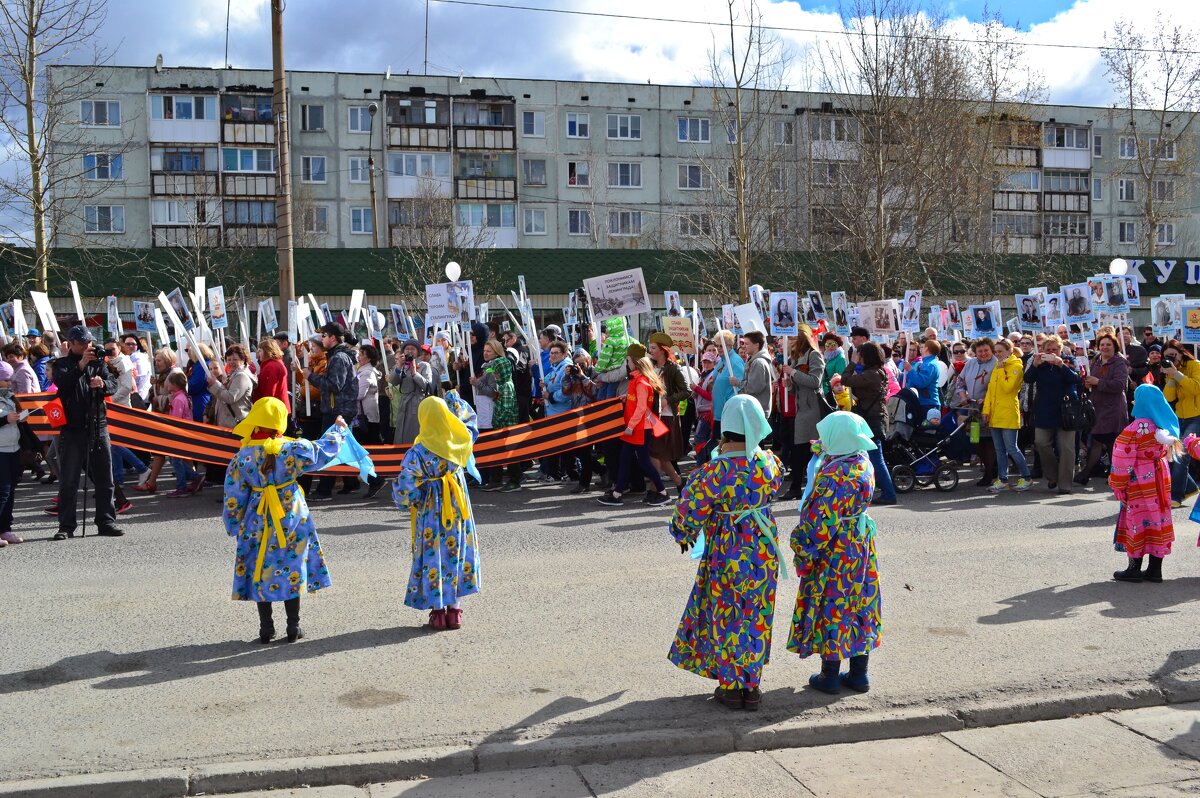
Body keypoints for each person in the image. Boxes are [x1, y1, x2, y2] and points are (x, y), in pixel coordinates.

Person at [667, 394, 785, 711]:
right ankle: (752, 685)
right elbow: (775, 475)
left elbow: (686, 517)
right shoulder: (770, 464)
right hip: (763, 548)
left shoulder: (713, 473)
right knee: (757, 614)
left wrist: (682, 533)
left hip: (727, 549)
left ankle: (732, 687)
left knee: (729, 613)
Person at [223, 398, 348, 643]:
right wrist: (339, 430)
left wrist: (234, 524)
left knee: (260, 568)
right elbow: (323, 450)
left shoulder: (243, 457)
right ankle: (293, 626)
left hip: (257, 518)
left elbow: (233, 496)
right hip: (291, 515)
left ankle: (266, 628)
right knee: (291, 565)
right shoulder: (293, 449)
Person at [788, 411, 882, 694]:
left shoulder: (833, 477)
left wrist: (801, 550)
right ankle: (859, 674)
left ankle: (829, 675)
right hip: (860, 544)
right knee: (860, 602)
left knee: (834, 602)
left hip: (835, 549)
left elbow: (819, 524)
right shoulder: (862, 462)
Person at [392, 391, 481, 630]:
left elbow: (404, 488)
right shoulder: (459, 440)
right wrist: (455, 400)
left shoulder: (418, 452)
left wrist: (411, 499)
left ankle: (438, 612)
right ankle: (455, 611)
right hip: (457, 507)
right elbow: (470, 422)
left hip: (431, 511)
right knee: (456, 552)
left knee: (434, 555)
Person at [50, 326, 122, 540]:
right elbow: (62, 384)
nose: (87, 347)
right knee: (69, 480)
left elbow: (113, 384)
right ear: (71, 344)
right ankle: (66, 526)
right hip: (72, 430)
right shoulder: (61, 365)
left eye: (89, 342)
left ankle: (106, 521)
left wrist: (103, 384)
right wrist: (81, 365)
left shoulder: (98, 362)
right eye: (82, 343)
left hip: (98, 426)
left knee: (104, 478)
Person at [1110, 385, 1180, 584]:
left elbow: (1121, 459)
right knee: (1159, 519)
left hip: (1139, 479)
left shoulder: (1134, 429)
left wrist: (1118, 484)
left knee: (1137, 520)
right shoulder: (1163, 424)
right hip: (1159, 475)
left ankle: (1134, 569)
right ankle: (1155, 570)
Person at [598, 344, 670, 507]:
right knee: (625, 459)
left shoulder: (641, 382)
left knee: (644, 462)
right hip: (636, 427)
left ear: (635, 362)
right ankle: (617, 494)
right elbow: (637, 400)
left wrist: (630, 426)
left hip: (639, 428)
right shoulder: (637, 380)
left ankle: (663, 493)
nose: (626, 363)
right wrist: (626, 397)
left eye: (628, 360)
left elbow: (642, 407)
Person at [304, 323, 358, 502]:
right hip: (340, 410)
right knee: (346, 449)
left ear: (333, 337)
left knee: (329, 450)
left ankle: (324, 490)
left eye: (324, 335)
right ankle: (359, 482)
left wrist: (310, 377)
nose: (322, 339)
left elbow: (334, 385)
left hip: (338, 411)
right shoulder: (336, 356)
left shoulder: (338, 358)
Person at [840, 341, 897, 505]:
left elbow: (845, 379)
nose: (859, 358)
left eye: (861, 355)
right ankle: (877, 490)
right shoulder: (877, 372)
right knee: (869, 455)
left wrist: (852, 362)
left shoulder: (871, 375)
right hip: (874, 416)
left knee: (875, 457)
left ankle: (889, 493)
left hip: (872, 419)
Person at [1024, 335, 1080, 494]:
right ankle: (1052, 475)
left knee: (1066, 448)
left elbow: (1075, 379)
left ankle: (1065, 484)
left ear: (1060, 350)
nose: (1051, 352)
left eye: (1054, 349)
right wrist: (1035, 364)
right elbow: (1028, 379)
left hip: (1066, 411)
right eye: (1048, 349)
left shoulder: (1068, 361)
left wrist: (1061, 365)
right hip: (1044, 410)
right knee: (1040, 443)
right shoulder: (1039, 363)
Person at [1076, 334, 1130, 487]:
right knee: (1096, 440)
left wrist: (1098, 382)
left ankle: (1115, 475)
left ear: (1115, 347)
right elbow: (1090, 380)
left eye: (1108, 345)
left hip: (1113, 408)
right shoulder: (1095, 362)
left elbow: (1119, 385)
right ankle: (1087, 472)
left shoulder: (1120, 363)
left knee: (1113, 443)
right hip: (1097, 408)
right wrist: (1087, 384)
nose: (1105, 347)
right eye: (1102, 345)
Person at [781, 325, 825, 499]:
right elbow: (798, 388)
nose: (789, 342)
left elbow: (815, 381)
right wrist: (790, 386)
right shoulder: (796, 358)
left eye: (792, 339)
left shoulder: (814, 356)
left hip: (812, 409)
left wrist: (792, 373)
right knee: (799, 449)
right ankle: (797, 486)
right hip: (802, 409)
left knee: (806, 449)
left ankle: (800, 487)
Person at [983, 339, 1031, 492]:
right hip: (995, 414)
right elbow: (990, 391)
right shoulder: (998, 366)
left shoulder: (1016, 366)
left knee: (1012, 448)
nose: (997, 355)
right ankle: (1002, 479)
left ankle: (1027, 477)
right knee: (999, 450)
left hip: (1009, 412)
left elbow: (1009, 388)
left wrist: (1003, 369)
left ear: (1010, 351)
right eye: (996, 352)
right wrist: (986, 410)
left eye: (1000, 351)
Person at [475, 339, 521, 492]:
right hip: (498, 423)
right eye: (485, 350)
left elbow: (506, 409)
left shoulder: (505, 385)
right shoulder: (500, 382)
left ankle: (515, 480)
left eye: (489, 351)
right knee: (496, 450)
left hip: (504, 425)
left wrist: (497, 423)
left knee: (510, 450)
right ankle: (496, 479)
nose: (493, 373)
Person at [647, 333, 688, 492]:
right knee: (659, 454)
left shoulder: (673, 368)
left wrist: (668, 400)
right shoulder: (650, 366)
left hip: (667, 416)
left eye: (654, 348)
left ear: (663, 350)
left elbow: (686, 391)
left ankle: (656, 490)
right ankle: (679, 482)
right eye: (650, 347)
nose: (651, 351)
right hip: (652, 415)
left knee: (656, 453)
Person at [955, 338, 998, 487]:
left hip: (989, 408)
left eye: (986, 350)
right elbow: (960, 381)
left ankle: (989, 473)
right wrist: (962, 395)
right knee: (975, 440)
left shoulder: (997, 364)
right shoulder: (971, 363)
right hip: (972, 408)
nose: (983, 353)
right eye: (980, 351)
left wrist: (986, 399)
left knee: (989, 441)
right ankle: (990, 468)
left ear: (991, 349)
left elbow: (998, 386)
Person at [1162, 341, 1200, 507]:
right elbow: (1169, 397)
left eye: (1173, 355)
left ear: (1181, 353)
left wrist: (1177, 374)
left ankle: (1176, 496)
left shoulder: (1195, 364)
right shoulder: (1170, 369)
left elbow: (1195, 389)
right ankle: (1190, 487)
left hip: (1196, 416)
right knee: (1176, 455)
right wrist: (1171, 376)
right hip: (1179, 417)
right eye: (1167, 356)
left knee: (1181, 456)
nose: (1170, 359)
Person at [389, 340, 432, 446]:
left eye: (413, 349)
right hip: (404, 403)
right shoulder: (402, 365)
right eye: (407, 349)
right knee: (401, 433)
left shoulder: (424, 365)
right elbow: (393, 381)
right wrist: (399, 366)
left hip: (418, 403)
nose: (410, 351)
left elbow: (428, 386)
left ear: (418, 351)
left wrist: (414, 373)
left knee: (414, 432)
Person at [0, 362, 24, 547]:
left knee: (11, 491)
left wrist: (22, 417)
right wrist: (4, 419)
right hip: (0, 450)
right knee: (3, 492)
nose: (9, 382)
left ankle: (5, 528)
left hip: (13, 448)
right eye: (6, 379)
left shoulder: (10, 397)